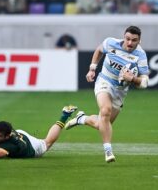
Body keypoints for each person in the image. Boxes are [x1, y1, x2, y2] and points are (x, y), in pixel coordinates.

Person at [64, 26, 149, 163]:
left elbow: (144, 83)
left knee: (102, 124)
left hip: (120, 91)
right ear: (124, 37)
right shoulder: (111, 43)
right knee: (105, 110)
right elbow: (99, 50)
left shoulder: (141, 55)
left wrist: (133, 79)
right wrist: (92, 69)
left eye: (134, 40)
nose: (130, 43)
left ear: (139, 40)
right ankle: (108, 151)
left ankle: (82, 119)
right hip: (104, 81)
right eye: (127, 39)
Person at [0, 105, 77, 160]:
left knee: (47, 142)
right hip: (19, 133)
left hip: (32, 147)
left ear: (7, 136)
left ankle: (65, 115)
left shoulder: (11, 146)